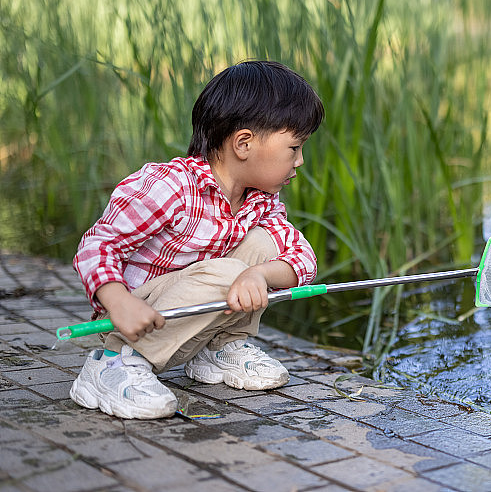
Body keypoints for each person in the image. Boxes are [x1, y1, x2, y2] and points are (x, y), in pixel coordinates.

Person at [69, 60, 324, 419]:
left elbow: (302, 257)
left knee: (266, 247)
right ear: (244, 144)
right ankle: (114, 362)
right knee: (228, 275)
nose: (299, 162)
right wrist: (119, 302)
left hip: (195, 307)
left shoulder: (260, 200)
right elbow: (97, 246)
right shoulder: (171, 187)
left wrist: (261, 275)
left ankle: (219, 347)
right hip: (136, 314)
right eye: (294, 148)